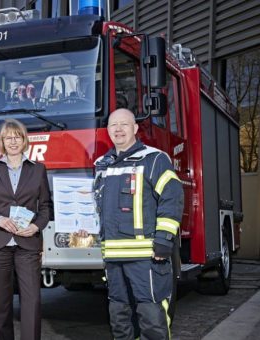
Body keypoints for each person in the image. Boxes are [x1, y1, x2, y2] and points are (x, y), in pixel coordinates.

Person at [79, 108, 183, 339]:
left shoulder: (154, 159)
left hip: (146, 256)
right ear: (108, 130)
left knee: (151, 315)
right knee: (119, 315)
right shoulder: (102, 165)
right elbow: (96, 207)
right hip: (113, 257)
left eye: (124, 124)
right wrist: (85, 229)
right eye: (113, 125)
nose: (118, 129)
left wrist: (164, 240)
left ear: (135, 129)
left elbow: (172, 198)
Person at [0, 118, 53, 340]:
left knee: (32, 301)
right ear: (1, 141)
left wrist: (36, 226)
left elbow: (46, 206)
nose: (12, 141)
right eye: (8, 137)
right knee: (0, 303)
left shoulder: (38, 169)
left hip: (27, 244)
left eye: (17, 136)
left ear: (24, 140)